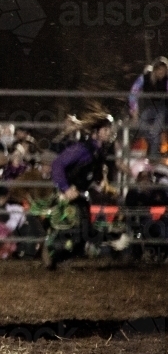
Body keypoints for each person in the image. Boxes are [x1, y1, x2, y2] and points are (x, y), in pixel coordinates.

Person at [44, 112, 116, 267]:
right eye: (105, 129)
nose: (108, 133)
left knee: (83, 237)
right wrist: (66, 188)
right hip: (66, 196)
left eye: (109, 129)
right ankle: (52, 255)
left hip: (79, 197)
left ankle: (56, 259)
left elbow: (87, 173)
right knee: (77, 233)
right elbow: (57, 164)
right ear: (95, 133)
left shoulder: (98, 151)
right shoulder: (81, 149)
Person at [129, 57, 167, 158]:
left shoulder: (166, 81)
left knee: (157, 126)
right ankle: (153, 143)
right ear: (156, 69)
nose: (162, 74)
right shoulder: (144, 78)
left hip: (162, 107)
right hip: (149, 107)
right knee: (143, 121)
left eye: (164, 72)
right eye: (161, 71)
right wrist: (134, 110)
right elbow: (133, 92)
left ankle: (154, 154)